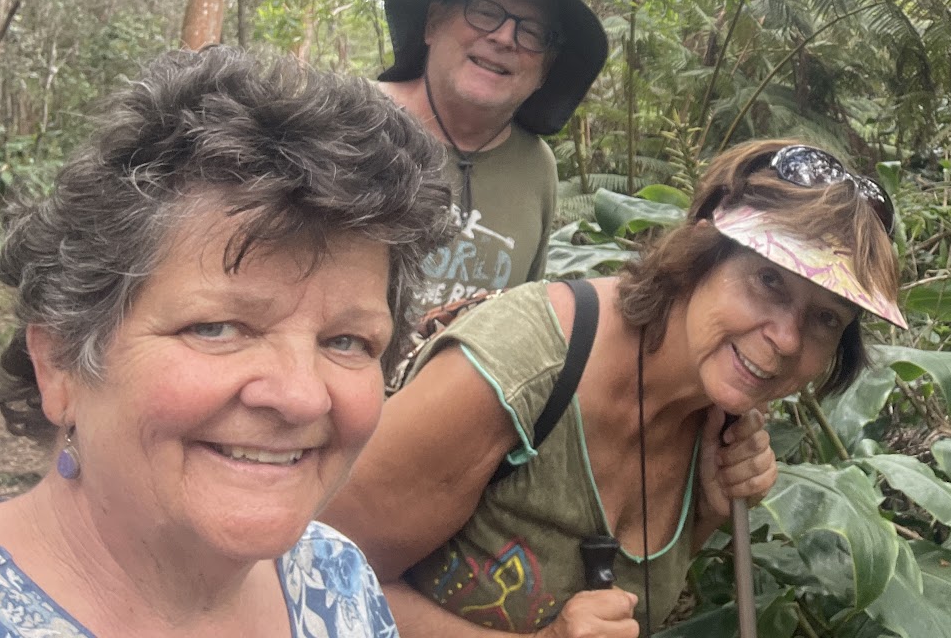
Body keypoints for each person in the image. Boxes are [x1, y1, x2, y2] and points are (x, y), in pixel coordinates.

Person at [324, 140, 906, 637]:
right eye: (769, 281)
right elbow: (314, 579)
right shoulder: (521, 369)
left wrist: (707, 511)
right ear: (702, 251)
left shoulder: (712, 420)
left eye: (825, 318)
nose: (786, 338)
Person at [0, 46, 454, 638]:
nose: (302, 397)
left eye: (346, 341)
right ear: (60, 364)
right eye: (217, 328)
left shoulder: (335, 576)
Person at [375, 0, 609, 310]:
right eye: (484, 11)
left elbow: (519, 314)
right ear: (433, 22)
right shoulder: (346, 120)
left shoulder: (536, 165)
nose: (504, 37)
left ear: (545, 70)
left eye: (533, 32)